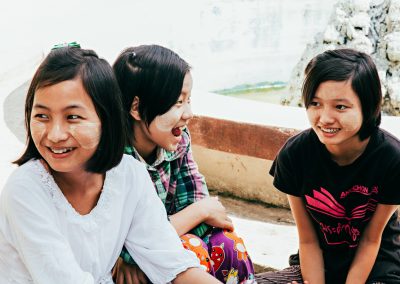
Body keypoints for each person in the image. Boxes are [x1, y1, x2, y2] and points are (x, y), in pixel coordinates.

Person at [0, 44, 222, 284]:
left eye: (72, 117)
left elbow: (175, 265)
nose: (55, 135)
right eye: (42, 116)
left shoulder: (129, 176)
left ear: (106, 119)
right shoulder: (25, 189)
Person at [112, 44, 255, 283]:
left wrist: (194, 215)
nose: (189, 113)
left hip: (165, 247)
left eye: (189, 100)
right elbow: (122, 244)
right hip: (131, 269)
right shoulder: (113, 160)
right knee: (190, 250)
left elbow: (207, 215)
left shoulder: (178, 143)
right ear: (136, 108)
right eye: (178, 102)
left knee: (227, 242)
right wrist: (200, 212)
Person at [256, 48, 400, 284]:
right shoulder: (295, 155)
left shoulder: (392, 159)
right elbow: (308, 240)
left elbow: (370, 240)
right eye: (315, 103)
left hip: (377, 269)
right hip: (314, 267)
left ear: (369, 105)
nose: (324, 118)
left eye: (340, 107)